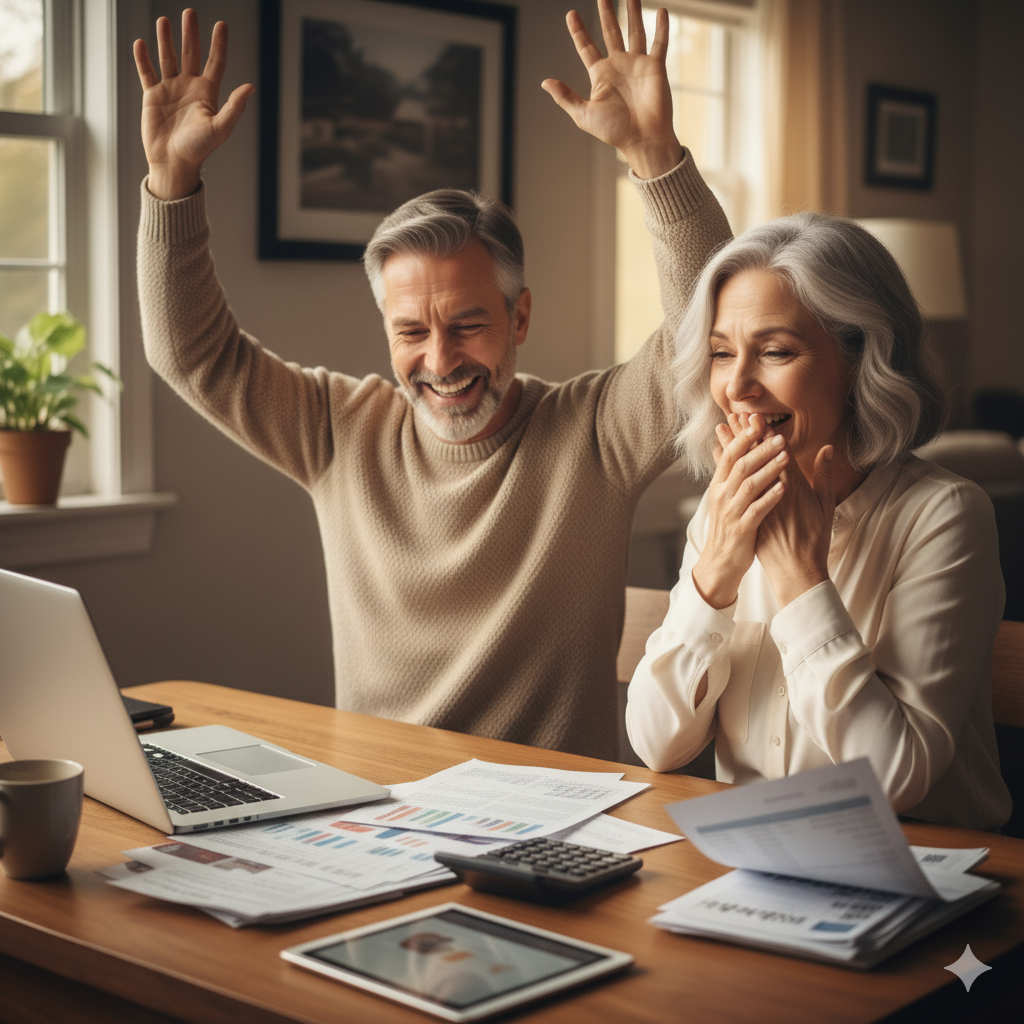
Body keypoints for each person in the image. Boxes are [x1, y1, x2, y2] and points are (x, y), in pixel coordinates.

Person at [132, 2, 732, 759]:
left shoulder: (595, 433)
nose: (442, 361)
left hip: (548, 812)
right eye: (411, 331)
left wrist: (656, 158)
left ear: (519, 317)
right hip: (374, 800)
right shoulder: (337, 429)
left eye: (468, 325)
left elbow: (706, 333)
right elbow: (193, 356)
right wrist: (172, 180)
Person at [626, 212, 1012, 831]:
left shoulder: (945, 516)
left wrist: (801, 579)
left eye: (775, 352)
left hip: (923, 863)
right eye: (722, 353)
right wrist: (715, 572)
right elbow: (656, 744)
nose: (738, 387)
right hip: (753, 854)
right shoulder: (721, 513)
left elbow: (895, 779)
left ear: (863, 359)